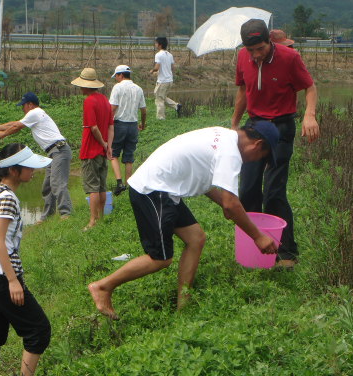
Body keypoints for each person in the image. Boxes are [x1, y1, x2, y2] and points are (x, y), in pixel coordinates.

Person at [88, 122, 281, 320]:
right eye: (261, 158)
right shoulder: (230, 152)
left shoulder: (223, 136)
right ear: (257, 145)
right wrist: (258, 237)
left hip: (164, 189)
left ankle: (184, 305)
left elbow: (212, 188)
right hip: (153, 189)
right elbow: (232, 204)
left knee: (196, 238)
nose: (255, 161)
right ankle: (103, 286)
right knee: (160, 258)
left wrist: (225, 204)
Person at [232, 19, 320, 270]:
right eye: (252, 51)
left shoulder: (289, 57)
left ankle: (286, 251)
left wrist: (309, 115)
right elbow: (242, 91)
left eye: (261, 49)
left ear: (269, 41)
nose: (257, 55)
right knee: (247, 189)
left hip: (281, 127)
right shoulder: (242, 58)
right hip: (255, 125)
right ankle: (254, 246)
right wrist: (235, 124)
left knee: (274, 191)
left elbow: (310, 88)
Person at [0, 143, 52, 376]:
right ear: (14, 170)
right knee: (38, 330)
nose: (33, 171)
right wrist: (13, 280)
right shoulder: (7, 198)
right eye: (28, 167)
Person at [0, 92, 73, 221]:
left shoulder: (35, 112)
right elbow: (15, 123)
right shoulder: (34, 115)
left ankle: (66, 214)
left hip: (59, 150)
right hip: (53, 152)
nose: (23, 108)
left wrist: (3, 134)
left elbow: (16, 127)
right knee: (47, 186)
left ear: (30, 104)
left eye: (23, 105)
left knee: (57, 183)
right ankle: (47, 217)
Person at [71, 68, 114, 231]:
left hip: (91, 150)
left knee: (92, 188)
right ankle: (101, 217)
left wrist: (103, 144)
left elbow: (94, 128)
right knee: (102, 186)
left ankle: (92, 221)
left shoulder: (89, 101)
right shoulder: (105, 100)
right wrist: (108, 146)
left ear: (87, 86)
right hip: (102, 151)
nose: (80, 88)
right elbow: (111, 126)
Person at [108, 64, 147, 196]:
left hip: (119, 124)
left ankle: (120, 183)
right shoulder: (138, 89)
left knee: (113, 154)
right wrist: (142, 123)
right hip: (133, 125)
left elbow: (113, 107)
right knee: (129, 156)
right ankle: (129, 184)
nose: (116, 79)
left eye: (116, 76)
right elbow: (143, 110)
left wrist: (107, 122)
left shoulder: (117, 87)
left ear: (121, 75)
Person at [149, 36, 181, 119]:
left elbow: (157, 67)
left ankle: (161, 118)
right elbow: (172, 67)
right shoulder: (170, 55)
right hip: (169, 80)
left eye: (156, 43)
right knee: (161, 96)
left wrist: (152, 71)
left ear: (160, 45)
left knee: (159, 99)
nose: (155, 45)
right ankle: (176, 106)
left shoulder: (158, 55)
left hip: (162, 81)